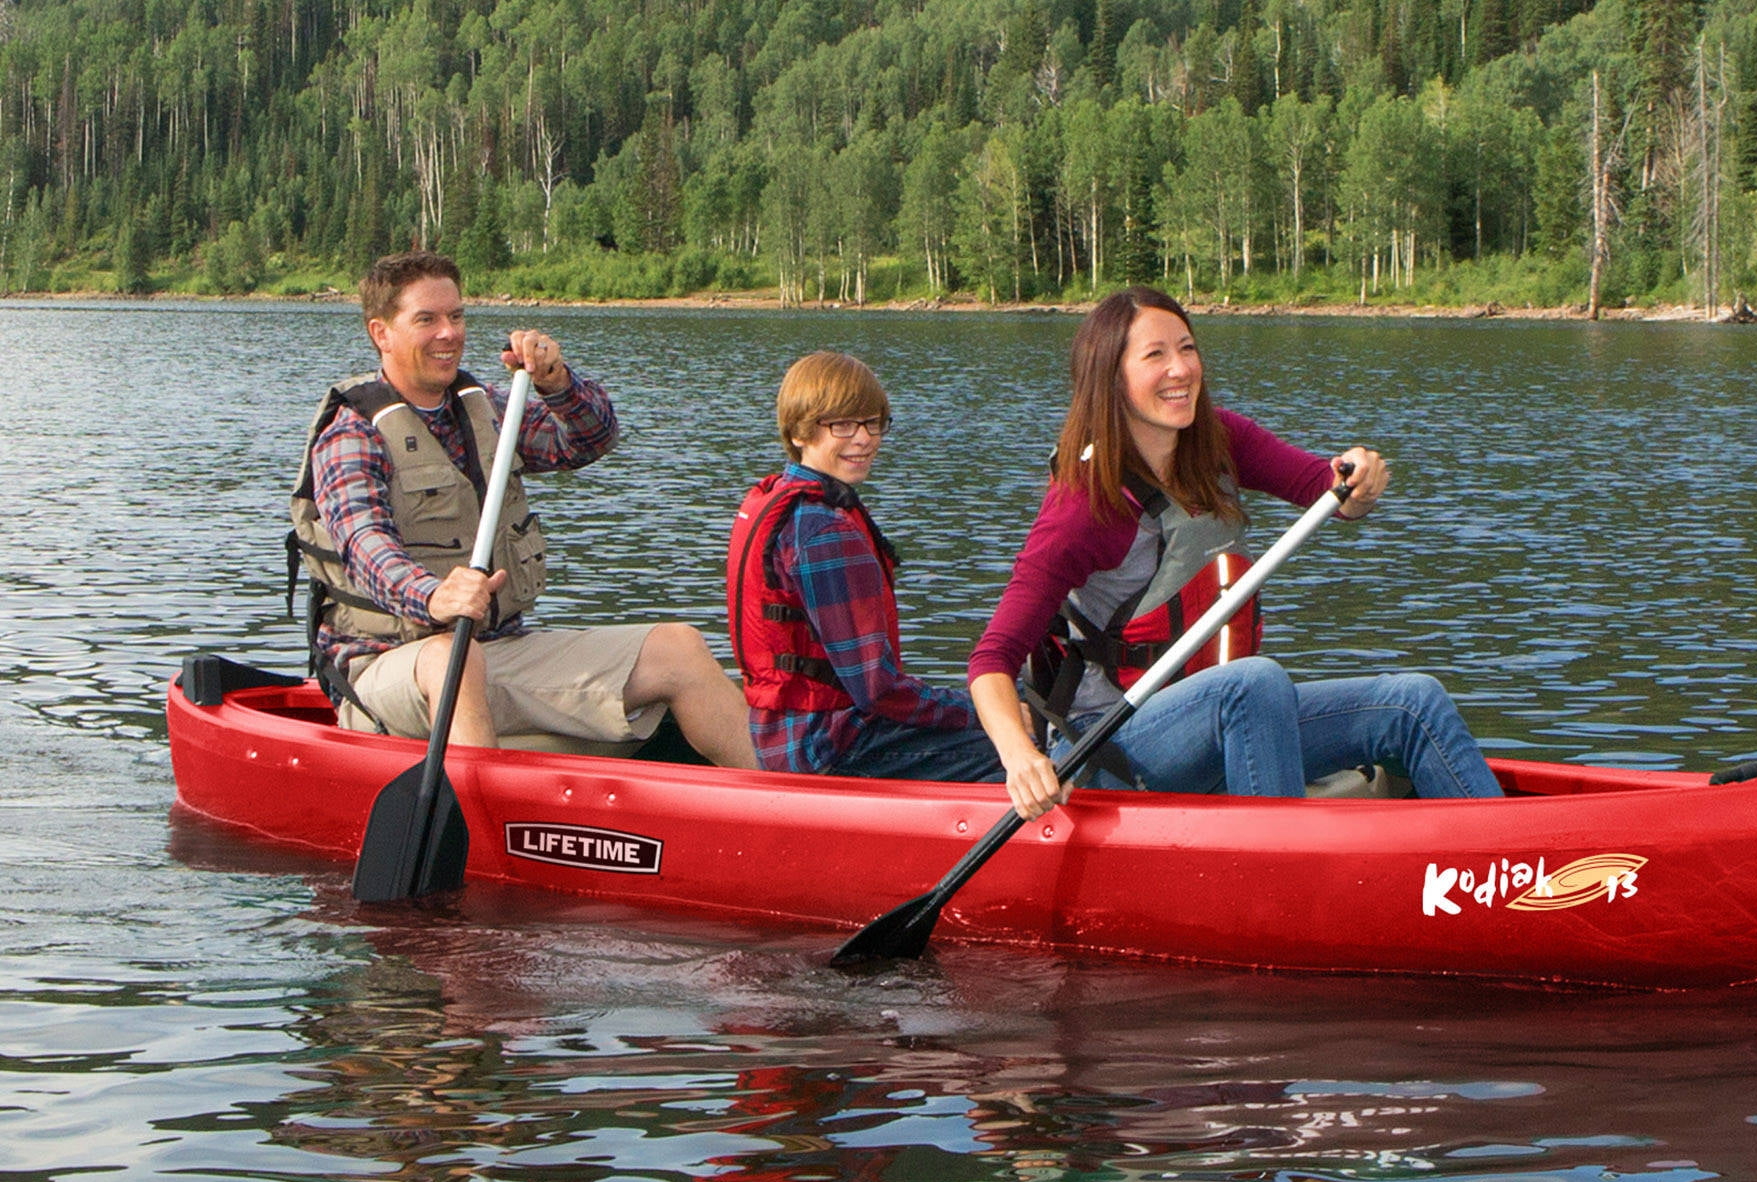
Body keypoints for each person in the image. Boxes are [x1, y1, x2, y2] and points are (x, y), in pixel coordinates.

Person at [967, 286, 1505, 820]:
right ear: (1111, 378)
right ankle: (1279, 879)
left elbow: (1331, 494)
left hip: (1229, 719)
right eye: (1155, 355)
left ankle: (1507, 870)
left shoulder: (1219, 441)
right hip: (1109, 746)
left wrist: (1359, 478)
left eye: (1187, 348)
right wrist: (1021, 758)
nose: (1180, 369)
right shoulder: (1084, 506)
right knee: (1255, 683)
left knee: (1413, 702)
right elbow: (991, 661)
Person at [291, 249, 754, 767]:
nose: (449, 332)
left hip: (495, 650)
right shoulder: (352, 433)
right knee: (452, 657)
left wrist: (557, 383)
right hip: (384, 669)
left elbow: (587, 441)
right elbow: (363, 546)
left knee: (681, 649)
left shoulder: (486, 407)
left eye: (457, 316)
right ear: (382, 333)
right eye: (427, 319)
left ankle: (787, 810)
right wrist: (435, 596)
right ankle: (477, 825)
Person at [727, 350, 1008, 785]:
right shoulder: (822, 530)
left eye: (873, 422)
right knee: (1028, 744)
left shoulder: (781, 498)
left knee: (1009, 704)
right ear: (800, 431)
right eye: (842, 424)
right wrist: (993, 713)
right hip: (829, 747)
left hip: (783, 735)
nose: (864, 438)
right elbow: (877, 690)